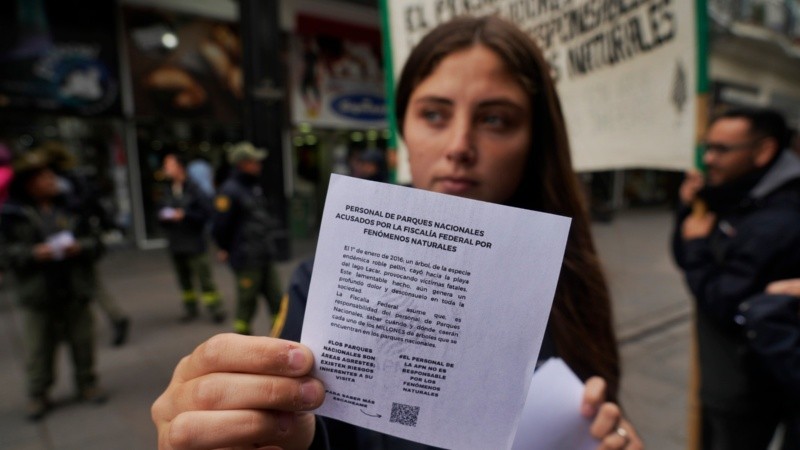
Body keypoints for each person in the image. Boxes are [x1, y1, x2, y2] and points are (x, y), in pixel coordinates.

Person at [153, 16, 643, 450]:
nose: (459, 146)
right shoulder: (325, 280)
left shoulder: (570, 282)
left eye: (495, 119)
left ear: (535, 139)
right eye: (434, 114)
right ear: (404, 128)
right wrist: (260, 430)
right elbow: (308, 426)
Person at [672, 107, 800, 449]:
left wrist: (698, 245)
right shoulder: (738, 192)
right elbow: (686, 256)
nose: (709, 159)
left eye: (722, 150)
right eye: (707, 147)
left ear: (763, 151)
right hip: (725, 372)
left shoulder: (777, 221)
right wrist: (690, 210)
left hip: (745, 386)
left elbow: (724, 301)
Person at [0, 150, 108, 421]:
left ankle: (87, 384)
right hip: (38, 294)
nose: (51, 180)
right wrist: (32, 253)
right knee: (39, 348)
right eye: (43, 177)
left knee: (83, 342)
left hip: (74, 288)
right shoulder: (13, 214)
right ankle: (38, 393)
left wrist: (79, 247)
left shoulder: (72, 207)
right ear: (29, 183)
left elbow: (97, 242)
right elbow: (6, 253)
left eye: (52, 175)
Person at [41, 140, 131, 347]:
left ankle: (113, 318)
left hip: (72, 243)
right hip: (75, 241)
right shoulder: (74, 179)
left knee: (87, 285)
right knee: (87, 284)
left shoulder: (63, 184)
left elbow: (84, 208)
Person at [211, 141, 282, 335]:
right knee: (246, 303)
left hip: (264, 254)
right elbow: (220, 225)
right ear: (242, 163)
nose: (259, 164)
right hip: (246, 258)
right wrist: (223, 247)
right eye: (254, 161)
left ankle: (280, 338)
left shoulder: (252, 186)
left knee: (278, 301)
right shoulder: (230, 190)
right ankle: (241, 344)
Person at [159, 152, 226, 323]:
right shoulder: (167, 189)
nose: (166, 168)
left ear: (180, 167)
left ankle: (215, 308)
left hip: (194, 242)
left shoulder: (194, 188)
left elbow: (207, 213)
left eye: (169, 164)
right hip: (176, 243)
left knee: (205, 279)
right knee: (184, 281)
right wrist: (164, 217)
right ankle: (190, 308)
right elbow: (158, 212)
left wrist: (185, 215)